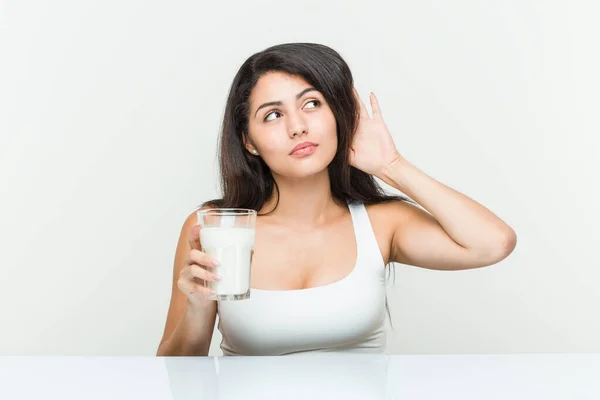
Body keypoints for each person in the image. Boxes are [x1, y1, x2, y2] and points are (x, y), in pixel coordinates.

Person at [156, 43, 517, 357]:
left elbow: (492, 244)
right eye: (273, 114)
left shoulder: (381, 223)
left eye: (312, 103)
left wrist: (391, 166)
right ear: (249, 141)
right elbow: (176, 370)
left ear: (338, 116)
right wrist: (197, 307)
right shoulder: (216, 226)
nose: (297, 127)